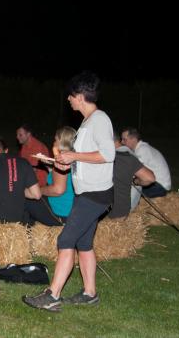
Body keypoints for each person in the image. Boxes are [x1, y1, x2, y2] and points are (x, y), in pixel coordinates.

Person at [23, 71, 115, 312]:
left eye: (71, 96)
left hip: (96, 194)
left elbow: (108, 154)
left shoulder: (100, 120)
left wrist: (73, 155)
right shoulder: (87, 123)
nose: (69, 100)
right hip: (89, 193)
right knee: (83, 243)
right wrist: (66, 163)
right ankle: (89, 293)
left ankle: (52, 295)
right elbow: (88, 159)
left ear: (80, 96)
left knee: (66, 239)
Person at [24, 126, 77, 226]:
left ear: (62, 142)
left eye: (55, 139)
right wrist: (49, 166)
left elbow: (58, 190)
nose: (53, 142)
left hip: (60, 215)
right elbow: (62, 178)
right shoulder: (73, 157)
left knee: (25, 198)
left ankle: (28, 233)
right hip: (72, 212)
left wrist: (38, 191)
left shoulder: (62, 161)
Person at [108, 132, 155, 218]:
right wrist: (135, 180)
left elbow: (149, 178)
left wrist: (134, 181)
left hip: (116, 209)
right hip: (125, 208)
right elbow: (149, 178)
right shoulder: (129, 154)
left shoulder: (118, 157)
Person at [121, 127, 171, 198]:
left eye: (124, 139)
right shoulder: (140, 148)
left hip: (159, 186)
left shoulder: (143, 150)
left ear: (134, 139)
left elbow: (133, 172)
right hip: (156, 183)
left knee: (125, 193)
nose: (122, 142)